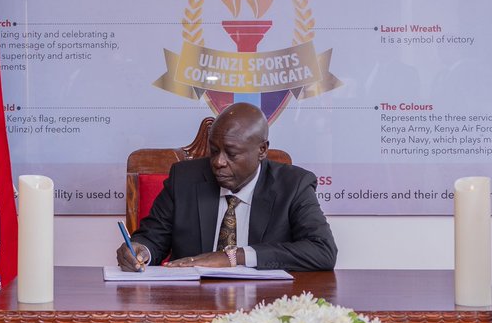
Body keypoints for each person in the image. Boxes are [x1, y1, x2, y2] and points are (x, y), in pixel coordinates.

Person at [116, 103, 336, 272]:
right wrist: (139, 250)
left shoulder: (293, 185)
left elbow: (322, 251)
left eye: (231, 154)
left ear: (261, 150)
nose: (218, 162)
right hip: (190, 302)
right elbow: (152, 238)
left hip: (263, 308)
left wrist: (235, 256)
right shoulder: (183, 179)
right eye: (214, 151)